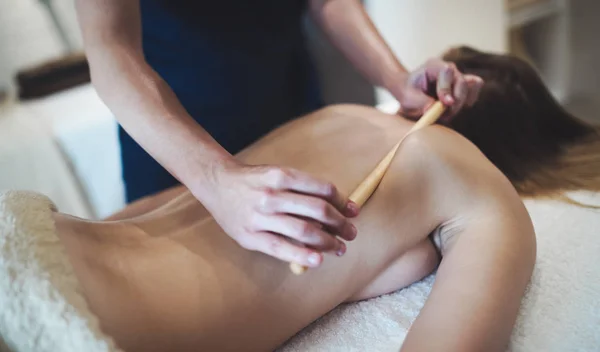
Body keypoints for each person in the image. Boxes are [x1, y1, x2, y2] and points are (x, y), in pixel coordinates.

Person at [51, 47, 600, 351]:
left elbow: (147, 210)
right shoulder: (482, 192)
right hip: (72, 324)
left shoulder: (331, 116)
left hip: (46, 240)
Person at [74, 0, 484, 266]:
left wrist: (396, 79)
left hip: (289, 102)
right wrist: (215, 179)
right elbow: (112, 51)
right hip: (174, 132)